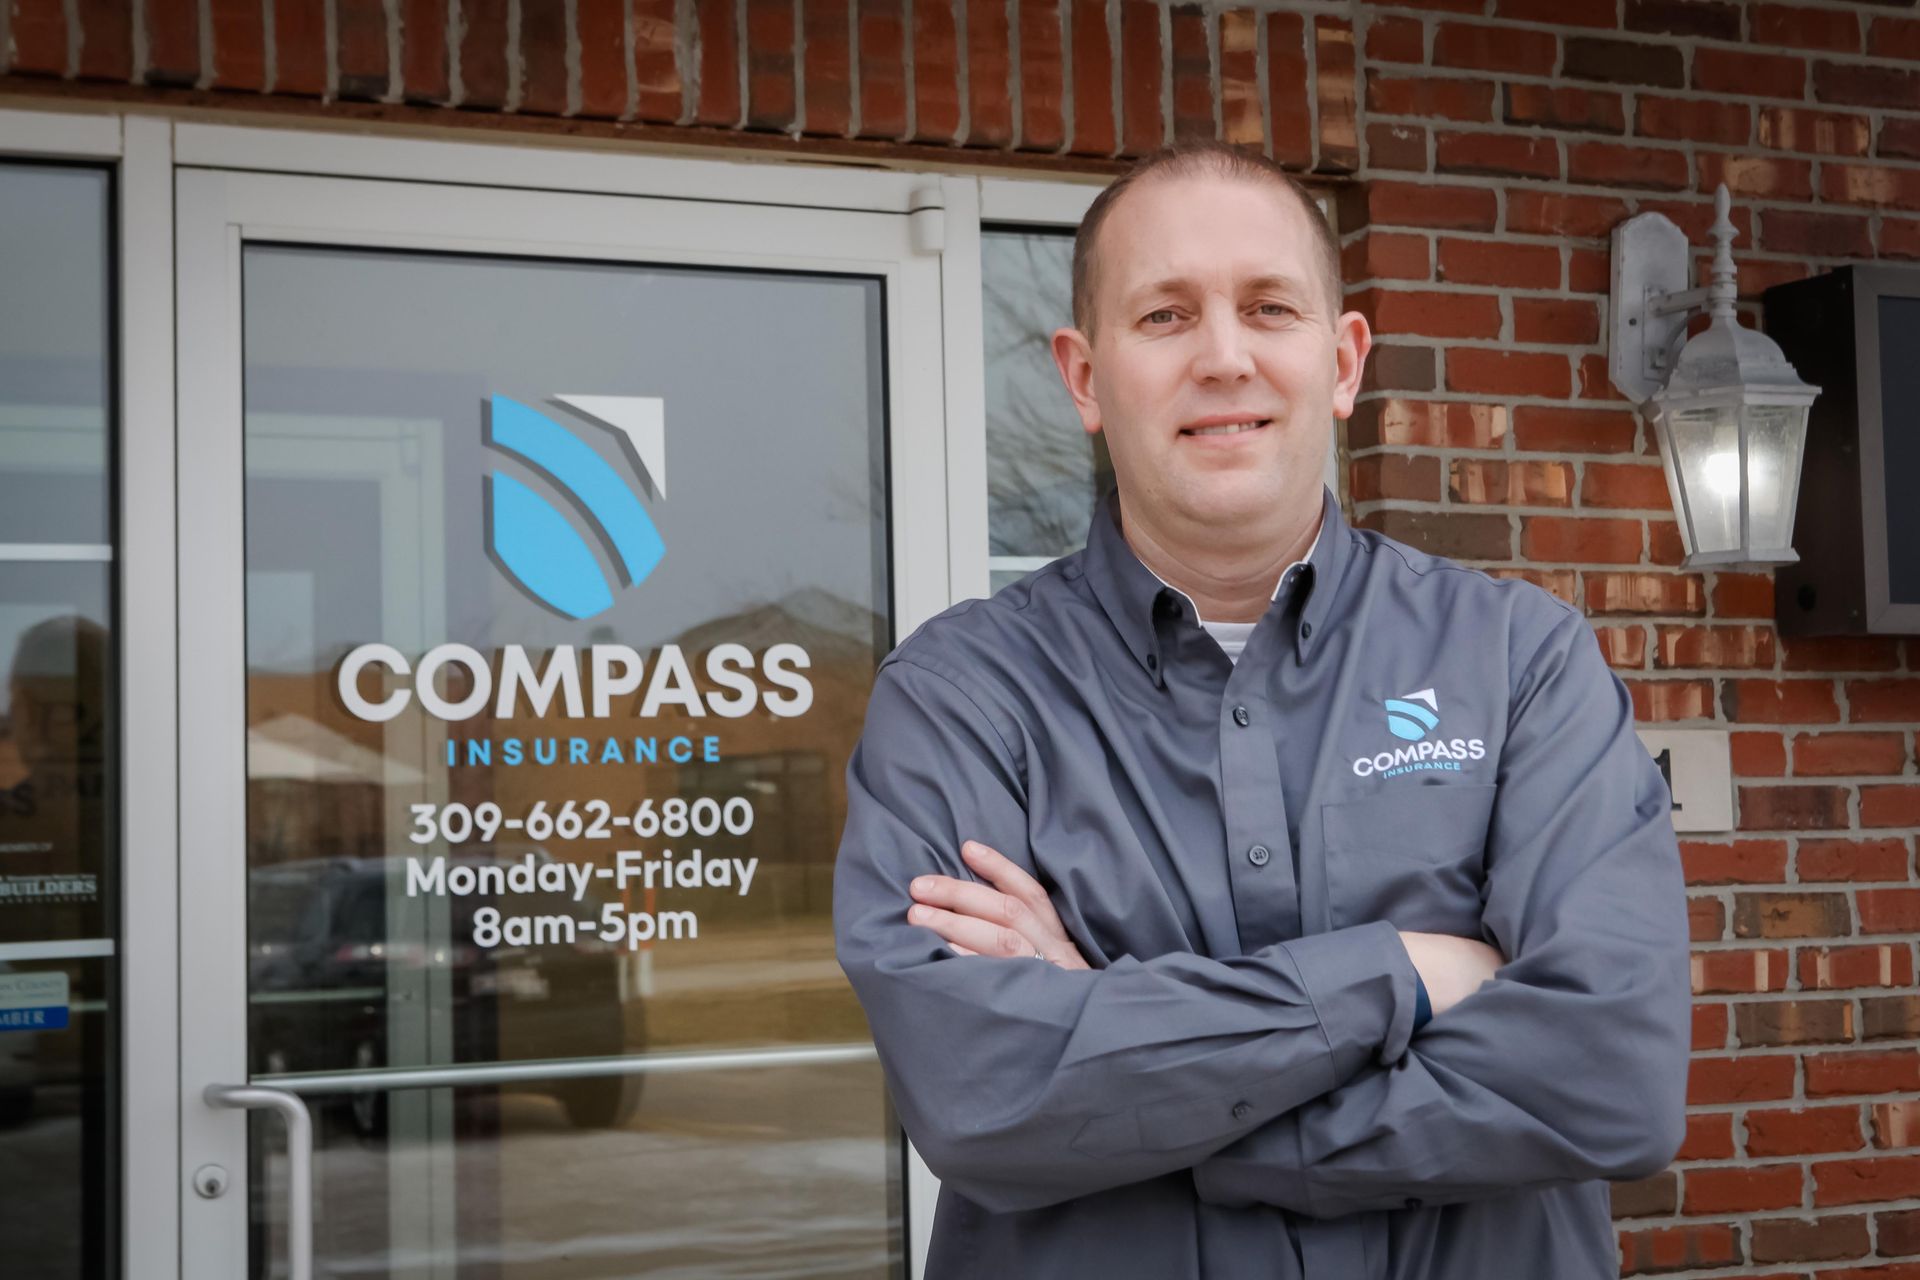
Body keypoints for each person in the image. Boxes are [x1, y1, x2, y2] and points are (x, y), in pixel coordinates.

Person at [832, 140, 1689, 1279]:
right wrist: (1404, 971)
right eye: (1166, 316)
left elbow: (1608, 1076)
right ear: (1086, 378)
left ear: (1342, 361)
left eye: (1269, 307)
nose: (1224, 357)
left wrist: (1125, 1051)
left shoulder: (1519, 660)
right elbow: (985, 1093)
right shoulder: (962, 699)